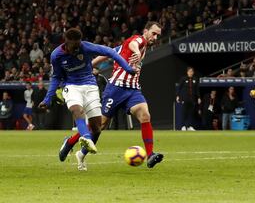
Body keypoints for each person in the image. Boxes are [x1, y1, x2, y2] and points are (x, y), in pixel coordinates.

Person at [58, 22, 164, 169]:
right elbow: (135, 43)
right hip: (115, 89)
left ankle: (151, 154)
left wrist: (90, 66)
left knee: (145, 115)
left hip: (132, 90)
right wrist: (137, 52)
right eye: (153, 33)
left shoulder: (129, 46)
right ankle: (70, 143)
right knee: (98, 127)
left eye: (158, 35)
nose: (155, 37)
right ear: (145, 31)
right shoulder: (138, 40)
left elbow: (107, 54)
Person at [39, 28, 135, 171]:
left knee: (96, 129)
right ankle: (85, 137)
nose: (77, 49)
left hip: (90, 86)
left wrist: (127, 68)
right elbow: (56, 77)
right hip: (71, 86)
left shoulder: (85, 46)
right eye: (74, 46)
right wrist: (47, 99)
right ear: (66, 42)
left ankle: (73, 146)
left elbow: (110, 52)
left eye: (79, 45)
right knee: (77, 110)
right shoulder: (56, 55)